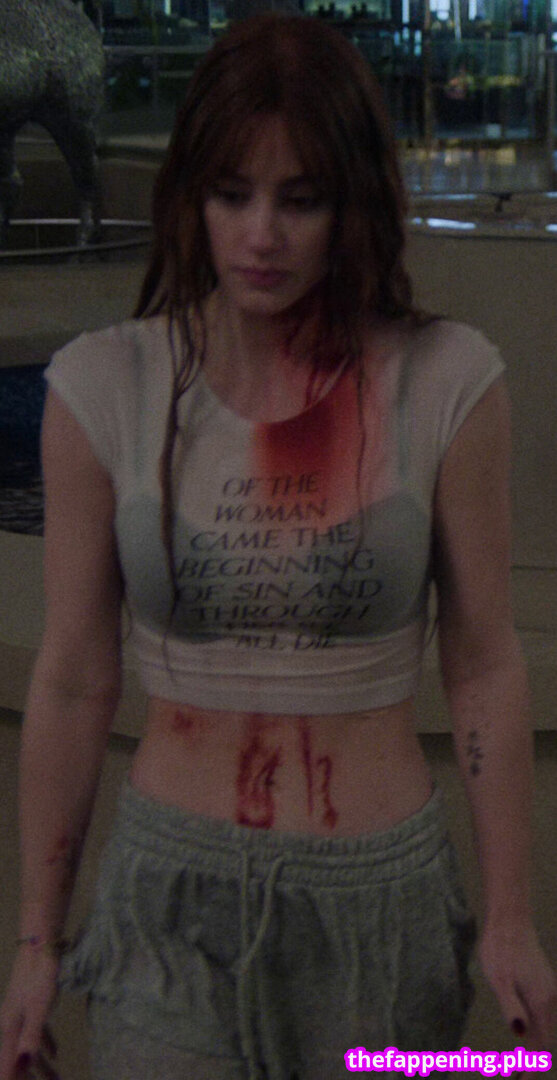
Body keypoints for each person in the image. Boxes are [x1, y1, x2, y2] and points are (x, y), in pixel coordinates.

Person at [0, 13, 555, 1080]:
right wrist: (36, 943)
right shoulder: (105, 384)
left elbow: (483, 659)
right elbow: (72, 676)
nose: (261, 234)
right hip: (170, 900)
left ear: (351, 202)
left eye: (299, 199)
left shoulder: (445, 380)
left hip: (376, 897)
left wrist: (508, 915)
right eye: (231, 194)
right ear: (190, 196)